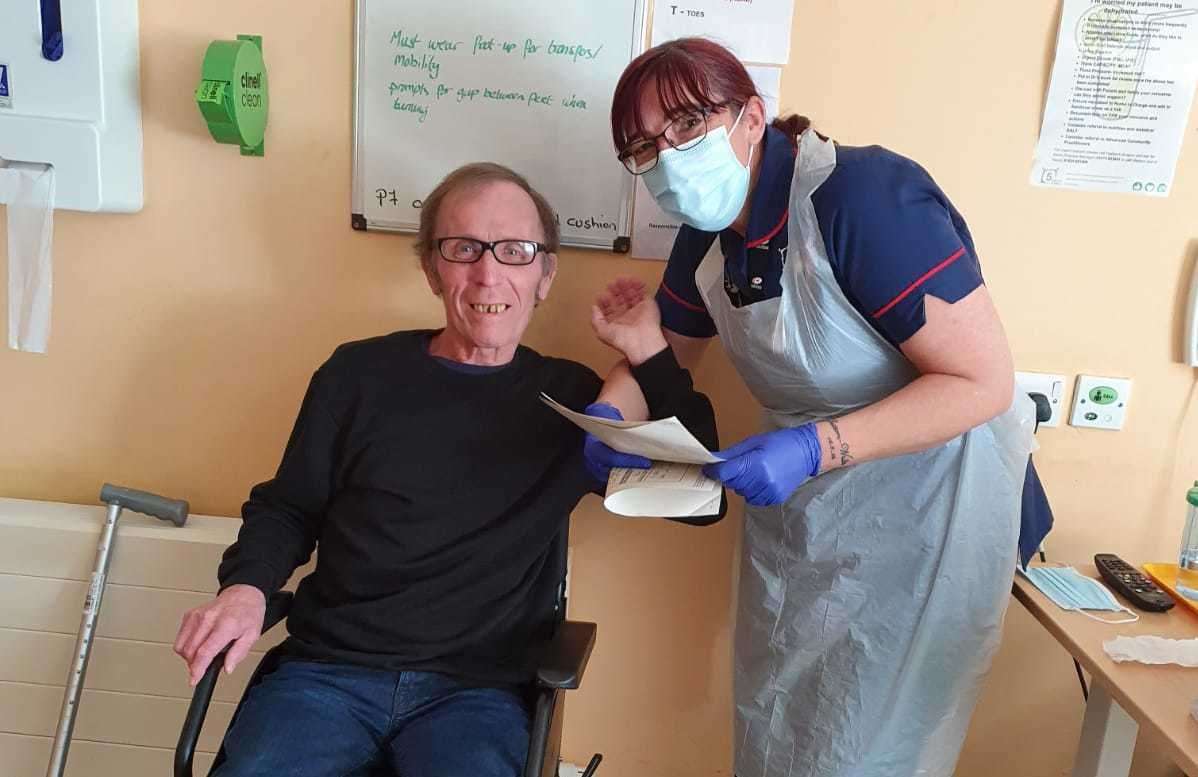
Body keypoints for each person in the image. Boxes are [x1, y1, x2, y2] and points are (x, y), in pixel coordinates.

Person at [585, 37, 1054, 777]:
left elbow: (982, 382)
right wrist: (609, 413)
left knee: (873, 750)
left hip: (934, 509)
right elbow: (664, 351)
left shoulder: (862, 197)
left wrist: (810, 448)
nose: (668, 156)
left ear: (752, 116)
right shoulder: (705, 238)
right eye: (644, 145)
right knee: (782, 729)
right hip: (814, 508)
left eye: (685, 124)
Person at [172, 162, 721, 777]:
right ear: (433, 268)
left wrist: (648, 350)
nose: (489, 273)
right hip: (327, 676)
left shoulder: (571, 401)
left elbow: (701, 498)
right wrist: (245, 588)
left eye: (515, 251)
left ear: (545, 275)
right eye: (464, 249)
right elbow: (288, 508)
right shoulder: (355, 376)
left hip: (475, 693)